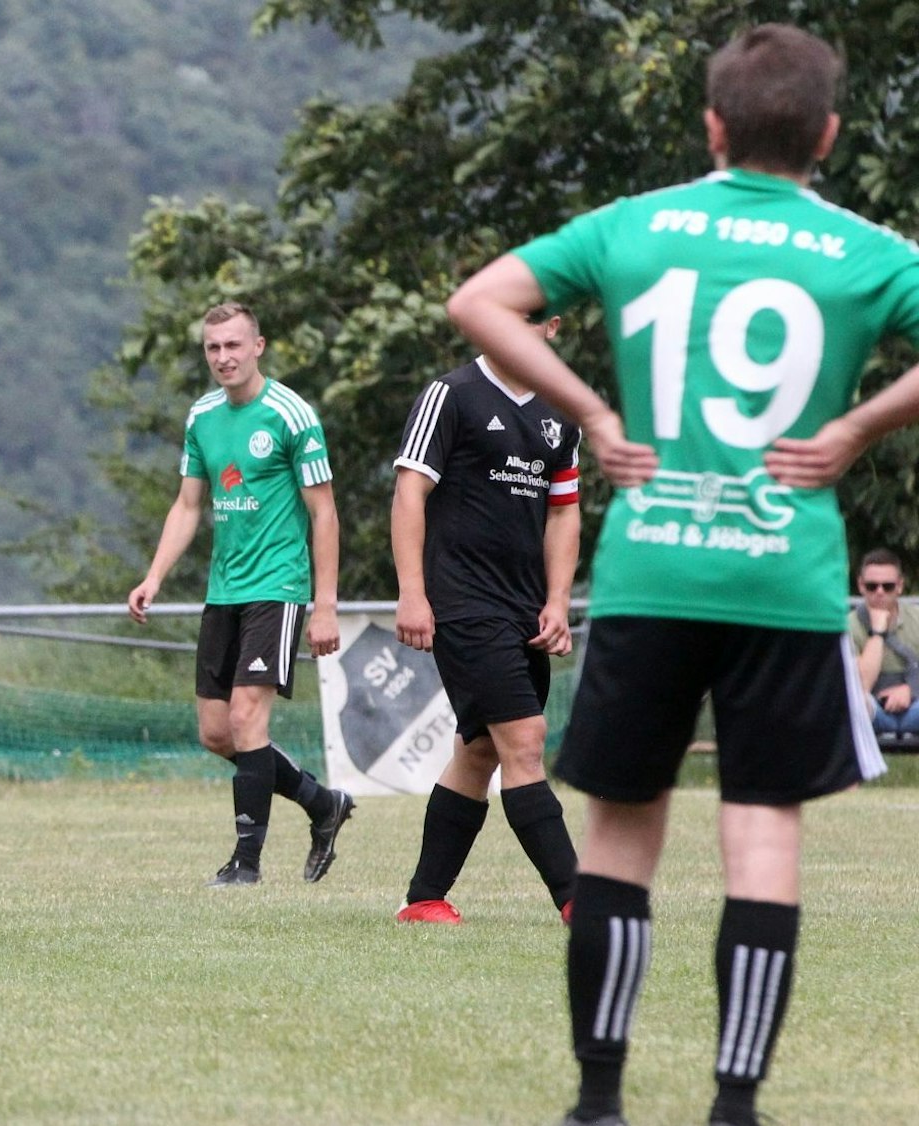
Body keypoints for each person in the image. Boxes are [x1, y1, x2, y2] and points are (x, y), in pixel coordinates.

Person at [446, 24, 919, 1126]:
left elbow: (477, 301)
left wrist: (593, 413)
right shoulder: (863, 250)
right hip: (783, 582)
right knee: (759, 837)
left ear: (710, 124)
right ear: (827, 135)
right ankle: (733, 1106)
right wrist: (855, 426)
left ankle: (598, 1101)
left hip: (656, 571)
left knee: (618, 836)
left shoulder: (634, 227)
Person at [127, 302, 355, 887]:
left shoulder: (290, 414)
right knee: (216, 733)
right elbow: (187, 505)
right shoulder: (202, 416)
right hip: (223, 589)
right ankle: (322, 804)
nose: (223, 357)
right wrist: (153, 576)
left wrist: (323, 606)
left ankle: (244, 865)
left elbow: (323, 513)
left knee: (248, 717)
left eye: (233, 345)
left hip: (278, 587)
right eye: (213, 348)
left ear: (258, 346)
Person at [390, 316, 583, 925]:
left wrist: (556, 600)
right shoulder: (450, 394)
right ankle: (580, 900)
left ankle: (423, 899)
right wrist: (413, 594)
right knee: (524, 744)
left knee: (479, 753)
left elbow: (564, 513)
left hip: (524, 608)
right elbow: (409, 493)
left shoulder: (562, 409)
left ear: (550, 327)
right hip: (463, 603)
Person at [849, 548, 919, 742]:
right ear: (861, 586)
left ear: (899, 586)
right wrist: (878, 633)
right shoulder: (849, 626)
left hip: (915, 707)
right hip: (871, 711)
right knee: (853, 705)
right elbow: (861, 686)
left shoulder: (916, 619)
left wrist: (910, 690)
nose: (880, 592)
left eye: (887, 586)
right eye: (872, 586)